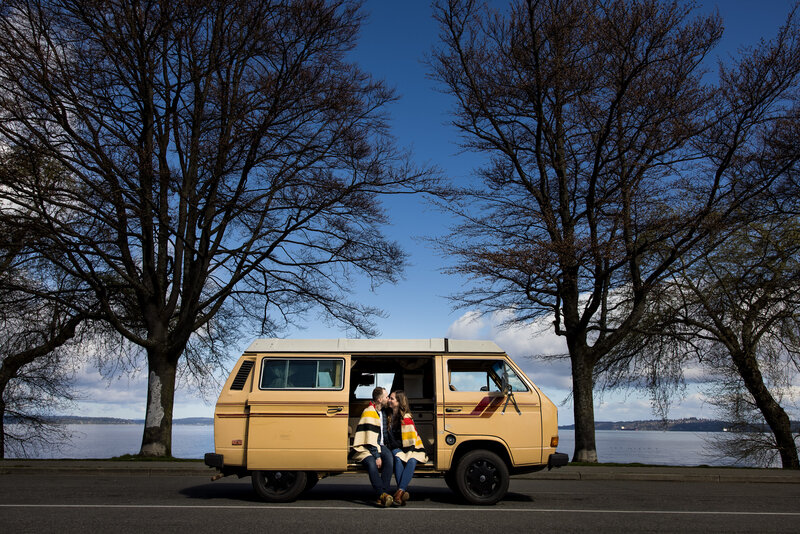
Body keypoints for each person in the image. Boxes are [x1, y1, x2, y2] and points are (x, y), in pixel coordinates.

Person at [351, 386, 394, 507]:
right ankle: (382, 494)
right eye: (386, 397)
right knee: (371, 464)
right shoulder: (369, 411)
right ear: (380, 399)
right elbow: (369, 439)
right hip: (365, 447)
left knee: (390, 460)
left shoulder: (384, 412)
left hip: (380, 445)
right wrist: (376, 456)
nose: (388, 399)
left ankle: (383, 495)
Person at [386, 390, 428, 506]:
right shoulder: (387, 414)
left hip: (412, 446)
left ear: (399, 402)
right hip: (394, 446)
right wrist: (395, 447)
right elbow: (389, 437)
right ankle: (401, 492)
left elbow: (411, 438)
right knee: (398, 459)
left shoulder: (406, 416)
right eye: (389, 398)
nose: (389, 400)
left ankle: (399, 492)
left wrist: (405, 450)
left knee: (412, 460)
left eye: (392, 398)